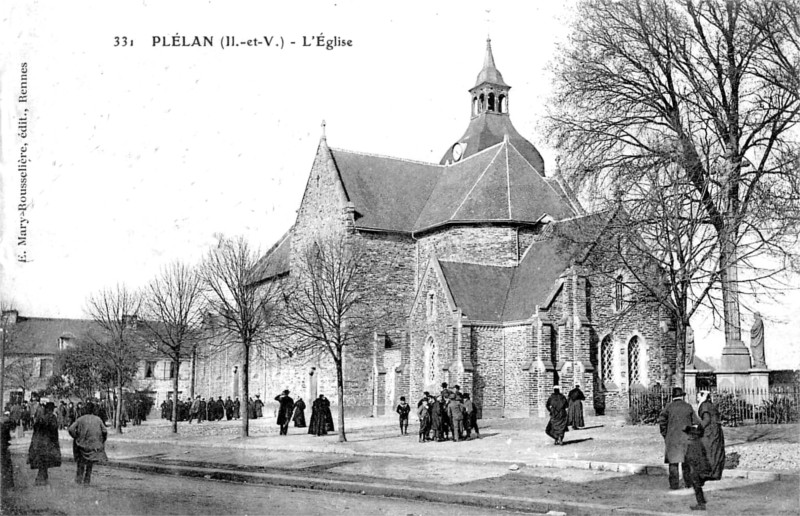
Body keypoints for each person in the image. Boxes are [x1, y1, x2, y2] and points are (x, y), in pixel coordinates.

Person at [658, 387, 701, 490]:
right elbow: (696, 422)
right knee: (686, 462)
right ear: (682, 396)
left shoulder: (668, 407)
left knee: (673, 463)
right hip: (686, 438)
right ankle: (688, 483)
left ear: (673, 397)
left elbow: (662, 422)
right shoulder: (688, 407)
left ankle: (674, 485)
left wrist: (665, 434)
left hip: (672, 438)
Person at [68, 402, 108, 485]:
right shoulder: (98, 419)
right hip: (92, 446)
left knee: (80, 464)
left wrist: (76, 437)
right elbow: (104, 431)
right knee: (89, 465)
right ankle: (87, 481)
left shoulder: (80, 419)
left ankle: (78, 480)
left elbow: (71, 429)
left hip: (81, 445)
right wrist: (101, 440)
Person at [27, 400, 61, 486]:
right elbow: (54, 430)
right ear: (51, 409)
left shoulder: (41, 417)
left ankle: (43, 478)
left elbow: (35, 429)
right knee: (45, 460)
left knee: (42, 460)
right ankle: (40, 479)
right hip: (48, 442)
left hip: (40, 441)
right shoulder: (52, 418)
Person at [697, 391, 725, 481]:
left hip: (710, 431)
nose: (697, 399)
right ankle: (715, 473)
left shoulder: (704, 405)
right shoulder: (710, 404)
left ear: (702, 396)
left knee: (709, 450)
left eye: (698, 397)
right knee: (715, 450)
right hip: (716, 430)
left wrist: (699, 429)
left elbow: (706, 419)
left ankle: (709, 473)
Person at [683, 424, 712, 511]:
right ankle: (702, 501)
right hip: (700, 466)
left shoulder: (692, 444)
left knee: (696, 486)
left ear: (691, 435)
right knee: (697, 485)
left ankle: (701, 504)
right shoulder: (698, 441)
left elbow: (690, 458)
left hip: (695, 468)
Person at [1, 411, 15, 491]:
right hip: (3, 449)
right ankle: (9, 484)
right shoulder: (4, 424)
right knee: (7, 466)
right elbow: (8, 437)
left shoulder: (3, 423)